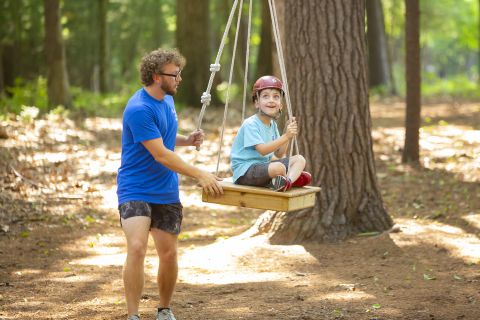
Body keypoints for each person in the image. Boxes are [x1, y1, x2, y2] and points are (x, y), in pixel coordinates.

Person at [116, 48, 223, 320]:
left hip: (165, 190)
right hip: (135, 189)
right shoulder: (138, 109)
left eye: (179, 74)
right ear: (156, 77)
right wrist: (200, 174)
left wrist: (187, 140)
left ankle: (164, 309)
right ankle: (133, 315)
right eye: (174, 74)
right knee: (137, 247)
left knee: (169, 254)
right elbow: (160, 154)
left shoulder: (167, 100)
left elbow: (163, 137)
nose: (179, 79)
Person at [230, 75, 312, 192]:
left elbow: (279, 153)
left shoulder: (272, 125)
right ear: (257, 103)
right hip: (245, 171)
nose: (271, 100)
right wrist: (285, 136)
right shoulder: (251, 124)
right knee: (279, 168)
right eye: (265, 96)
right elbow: (263, 150)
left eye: (276, 97)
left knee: (300, 159)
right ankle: (288, 180)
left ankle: (286, 182)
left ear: (281, 105)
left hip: (263, 167)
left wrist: (286, 132)